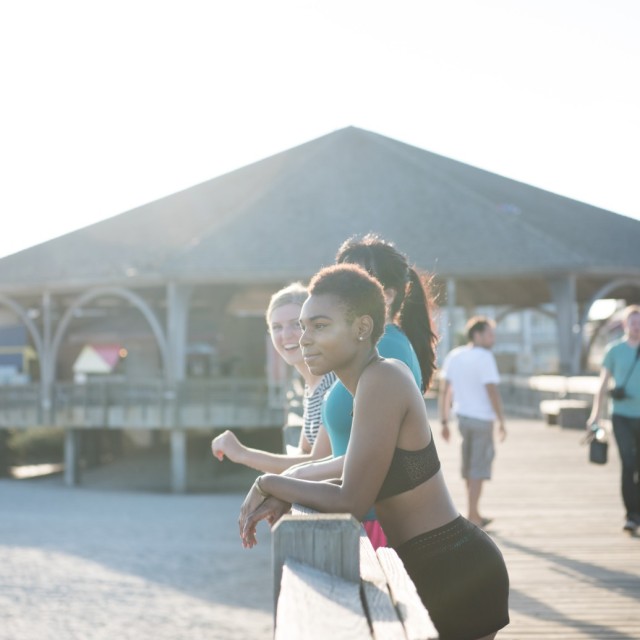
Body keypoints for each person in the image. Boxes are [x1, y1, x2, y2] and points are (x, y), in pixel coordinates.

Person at [239, 264, 510, 640]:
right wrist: (287, 480)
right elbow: (353, 464)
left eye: (320, 326)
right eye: (303, 326)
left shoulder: (382, 379)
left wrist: (270, 482)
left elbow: (351, 498)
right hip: (433, 564)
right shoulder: (369, 383)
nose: (303, 339)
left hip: (454, 566)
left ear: (362, 328)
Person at [282, 233, 438, 548]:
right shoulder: (357, 358)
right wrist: (290, 479)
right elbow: (339, 455)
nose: (344, 287)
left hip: (382, 526)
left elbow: (368, 461)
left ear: (388, 296)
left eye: (358, 280)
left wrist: (281, 483)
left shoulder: (387, 355)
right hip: (361, 521)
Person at [211, 282, 335, 473]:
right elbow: (305, 451)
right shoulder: (312, 385)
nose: (286, 335)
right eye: (277, 327)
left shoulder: (331, 382)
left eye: (296, 324)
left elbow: (319, 463)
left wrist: (242, 453)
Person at [438, 316, 507, 528]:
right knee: (478, 469)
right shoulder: (485, 357)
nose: (493, 338)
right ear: (477, 335)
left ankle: (473, 511)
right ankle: (473, 517)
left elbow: (445, 390)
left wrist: (443, 421)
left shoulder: (454, 356)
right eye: (489, 334)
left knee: (468, 468)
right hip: (482, 420)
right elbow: (492, 391)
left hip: (462, 420)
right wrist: (501, 420)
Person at [587, 304, 640, 534]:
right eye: (633, 322)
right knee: (628, 465)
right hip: (622, 416)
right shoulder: (614, 350)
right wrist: (595, 416)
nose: (636, 327)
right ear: (625, 325)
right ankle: (631, 516)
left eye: (639, 323)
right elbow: (602, 384)